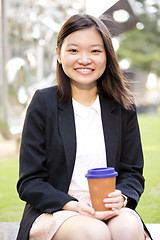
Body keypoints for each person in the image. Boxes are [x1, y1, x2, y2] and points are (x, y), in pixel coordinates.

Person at [16, 14, 152, 240]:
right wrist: (71, 204)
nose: (84, 59)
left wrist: (123, 197)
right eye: (73, 50)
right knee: (94, 232)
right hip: (58, 210)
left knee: (126, 229)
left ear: (107, 56)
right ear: (59, 54)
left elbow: (132, 173)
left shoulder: (122, 107)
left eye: (95, 51)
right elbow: (30, 181)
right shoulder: (43, 103)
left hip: (110, 209)